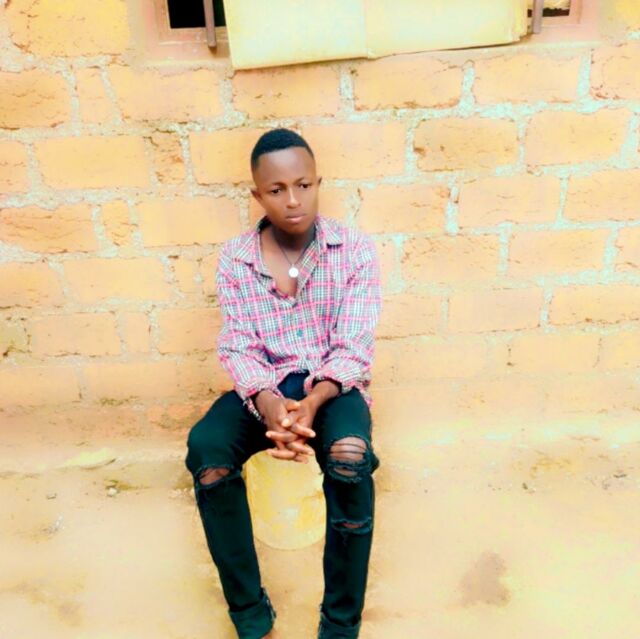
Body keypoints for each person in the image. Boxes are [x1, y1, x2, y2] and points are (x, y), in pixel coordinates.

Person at [185, 128, 381, 639]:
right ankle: (250, 612)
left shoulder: (354, 250)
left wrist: (313, 400)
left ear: (318, 184)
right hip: (264, 389)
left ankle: (340, 623)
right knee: (207, 453)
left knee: (350, 457)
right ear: (258, 195)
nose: (293, 200)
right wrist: (267, 402)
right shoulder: (236, 258)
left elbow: (354, 346)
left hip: (332, 388)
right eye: (276, 190)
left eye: (303, 185)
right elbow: (238, 345)